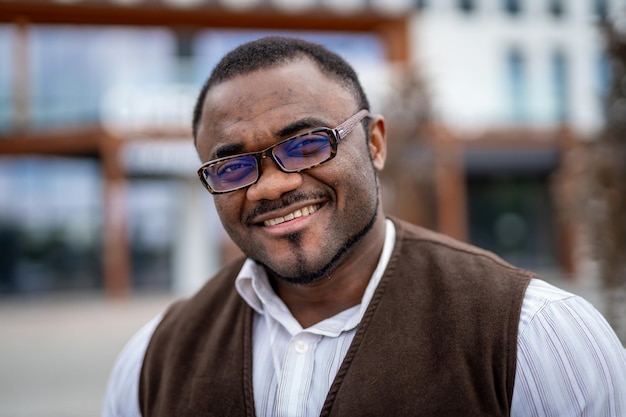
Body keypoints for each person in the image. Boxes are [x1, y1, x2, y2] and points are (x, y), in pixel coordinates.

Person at [103, 36, 626, 417]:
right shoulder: (154, 360)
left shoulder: (531, 335)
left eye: (306, 144)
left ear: (374, 143)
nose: (268, 187)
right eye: (232, 167)